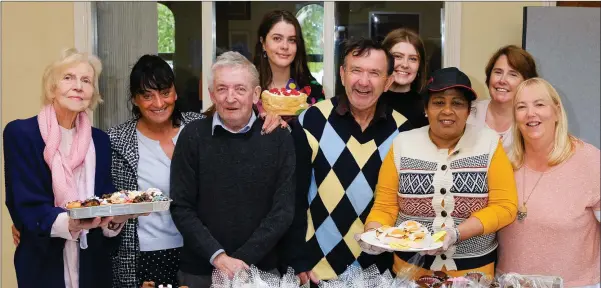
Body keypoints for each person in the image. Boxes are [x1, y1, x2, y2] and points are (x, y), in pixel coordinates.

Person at [362, 67, 518, 280]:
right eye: (438, 102)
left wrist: (457, 233)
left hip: (474, 276)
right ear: (426, 108)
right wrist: (374, 233)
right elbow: (385, 206)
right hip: (410, 274)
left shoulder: (489, 143)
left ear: (468, 110)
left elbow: (505, 206)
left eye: (457, 103)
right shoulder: (403, 144)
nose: (447, 110)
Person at [3, 48, 138, 287]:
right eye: (68, 78)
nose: (78, 86)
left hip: (92, 265)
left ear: (93, 93)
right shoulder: (21, 134)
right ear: (51, 87)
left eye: (86, 80)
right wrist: (72, 222)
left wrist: (118, 217)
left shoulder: (99, 140)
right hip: (43, 263)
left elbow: (104, 200)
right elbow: (24, 203)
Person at [282, 38, 413, 284]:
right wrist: (298, 259)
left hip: (379, 271)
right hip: (317, 270)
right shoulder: (311, 121)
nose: (363, 81)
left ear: (388, 82)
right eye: (356, 70)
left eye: (374, 73)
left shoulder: (403, 132)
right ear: (342, 74)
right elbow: (292, 198)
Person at [170, 51, 296, 287]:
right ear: (211, 94)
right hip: (201, 272)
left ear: (256, 94)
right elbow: (181, 207)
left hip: (261, 271)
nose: (230, 98)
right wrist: (218, 257)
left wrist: (239, 261)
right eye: (222, 89)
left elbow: (283, 211)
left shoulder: (278, 137)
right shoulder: (192, 136)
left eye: (240, 89)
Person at [108, 55, 205, 288]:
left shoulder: (199, 128)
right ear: (134, 99)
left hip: (201, 250)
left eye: (164, 92)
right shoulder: (117, 140)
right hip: (146, 254)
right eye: (147, 95)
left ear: (175, 92)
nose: (159, 103)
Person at [497, 78, 600, 287]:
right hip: (509, 283)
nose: (530, 113)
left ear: (557, 111)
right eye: (521, 107)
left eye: (540, 104)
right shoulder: (505, 162)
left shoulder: (590, 161)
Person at [467, 45, 538, 152]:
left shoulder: (531, 121)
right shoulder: (468, 113)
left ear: (526, 82)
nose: (502, 80)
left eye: (513, 74)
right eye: (498, 72)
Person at [253, 9, 325, 114]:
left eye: (292, 40)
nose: (285, 46)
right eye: (277, 38)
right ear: (263, 43)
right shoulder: (246, 88)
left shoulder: (314, 90)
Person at [380, 28, 429, 128]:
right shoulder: (368, 101)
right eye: (398, 56)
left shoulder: (427, 107)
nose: (405, 65)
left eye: (413, 59)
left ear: (420, 65)